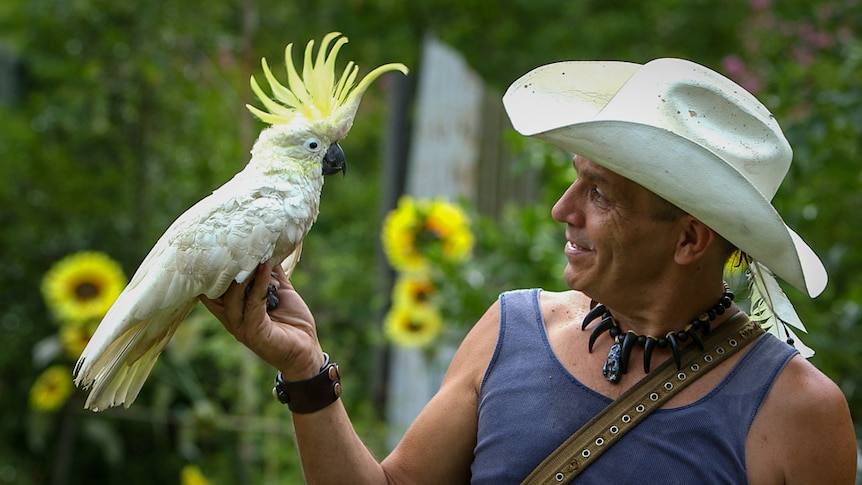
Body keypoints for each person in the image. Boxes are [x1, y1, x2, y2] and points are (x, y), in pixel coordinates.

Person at [200, 58, 857, 483]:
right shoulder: (510, 331)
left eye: (600, 194)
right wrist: (304, 369)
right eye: (576, 182)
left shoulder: (798, 411)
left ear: (689, 238)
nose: (561, 208)